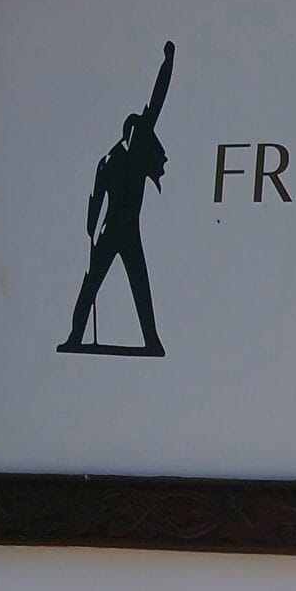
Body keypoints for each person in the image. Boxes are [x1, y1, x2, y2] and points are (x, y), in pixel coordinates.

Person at [58, 39, 174, 357]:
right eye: (138, 132)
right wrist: (91, 233)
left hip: (127, 230)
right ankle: (75, 336)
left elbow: (156, 100)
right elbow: (96, 198)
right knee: (91, 283)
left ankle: (152, 341)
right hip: (112, 231)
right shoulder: (111, 160)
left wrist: (168, 63)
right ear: (129, 134)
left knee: (139, 285)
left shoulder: (132, 155)